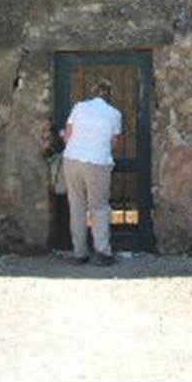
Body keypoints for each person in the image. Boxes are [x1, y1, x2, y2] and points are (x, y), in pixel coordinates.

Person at [62, 81, 122, 265]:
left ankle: (80, 253)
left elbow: (68, 135)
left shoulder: (79, 107)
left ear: (92, 93)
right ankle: (102, 253)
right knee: (99, 207)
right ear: (109, 96)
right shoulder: (114, 114)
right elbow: (113, 143)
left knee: (77, 206)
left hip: (72, 160)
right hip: (97, 162)